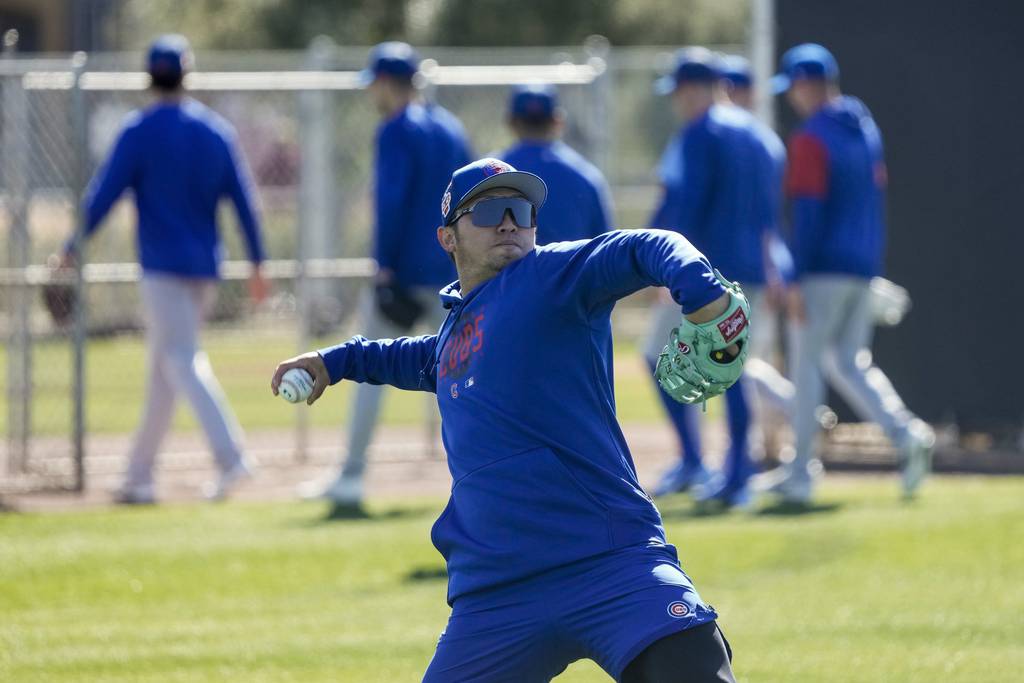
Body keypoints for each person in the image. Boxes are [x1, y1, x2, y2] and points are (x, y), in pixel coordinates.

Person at [272, 157, 747, 682]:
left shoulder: (555, 275)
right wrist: (332, 361)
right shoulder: (454, 338)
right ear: (447, 238)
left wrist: (701, 292)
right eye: (489, 210)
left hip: (609, 562)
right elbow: (402, 356)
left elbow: (649, 246)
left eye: (521, 211)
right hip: (498, 595)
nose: (509, 223)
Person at [58, 34, 267, 504]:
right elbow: (245, 203)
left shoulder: (140, 130)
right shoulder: (215, 131)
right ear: (186, 74)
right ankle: (138, 477)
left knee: (180, 360)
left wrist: (72, 247)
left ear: (148, 77)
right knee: (164, 370)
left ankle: (231, 457)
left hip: (162, 269)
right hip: (204, 269)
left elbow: (103, 196)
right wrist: (258, 261)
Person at [301, 42, 472, 516]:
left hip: (407, 271)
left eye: (375, 82)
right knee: (462, 380)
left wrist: (384, 264)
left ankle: (352, 476)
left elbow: (392, 201)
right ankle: (475, 481)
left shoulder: (396, 129)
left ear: (388, 83)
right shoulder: (450, 127)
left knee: (372, 370)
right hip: (454, 271)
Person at [760, 43, 934, 502]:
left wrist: (793, 275)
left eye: (794, 87)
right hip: (862, 268)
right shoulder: (864, 129)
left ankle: (800, 473)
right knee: (849, 362)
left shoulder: (812, 137)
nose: (791, 97)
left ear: (806, 84)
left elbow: (809, 212)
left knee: (808, 367)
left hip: (821, 270)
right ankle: (907, 434)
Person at [644, 47, 774, 506]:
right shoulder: (758, 134)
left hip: (704, 271)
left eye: (679, 90)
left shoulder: (701, 132)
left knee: (657, 355)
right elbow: (769, 215)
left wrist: (663, 269)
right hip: (751, 269)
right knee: (733, 370)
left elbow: (687, 205)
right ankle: (735, 470)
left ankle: (708, 464)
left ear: (695, 88)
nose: (676, 100)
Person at [719, 55, 801, 462]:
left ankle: (797, 410)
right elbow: (774, 220)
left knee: (733, 361)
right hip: (767, 263)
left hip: (736, 269)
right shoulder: (770, 142)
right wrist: (778, 269)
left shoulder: (720, 138)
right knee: (754, 358)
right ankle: (770, 444)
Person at [497, 83, 613, 243]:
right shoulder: (585, 175)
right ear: (557, 121)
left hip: (506, 268)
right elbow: (605, 246)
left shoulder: (489, 173)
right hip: (572, 268)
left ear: (510, 121)